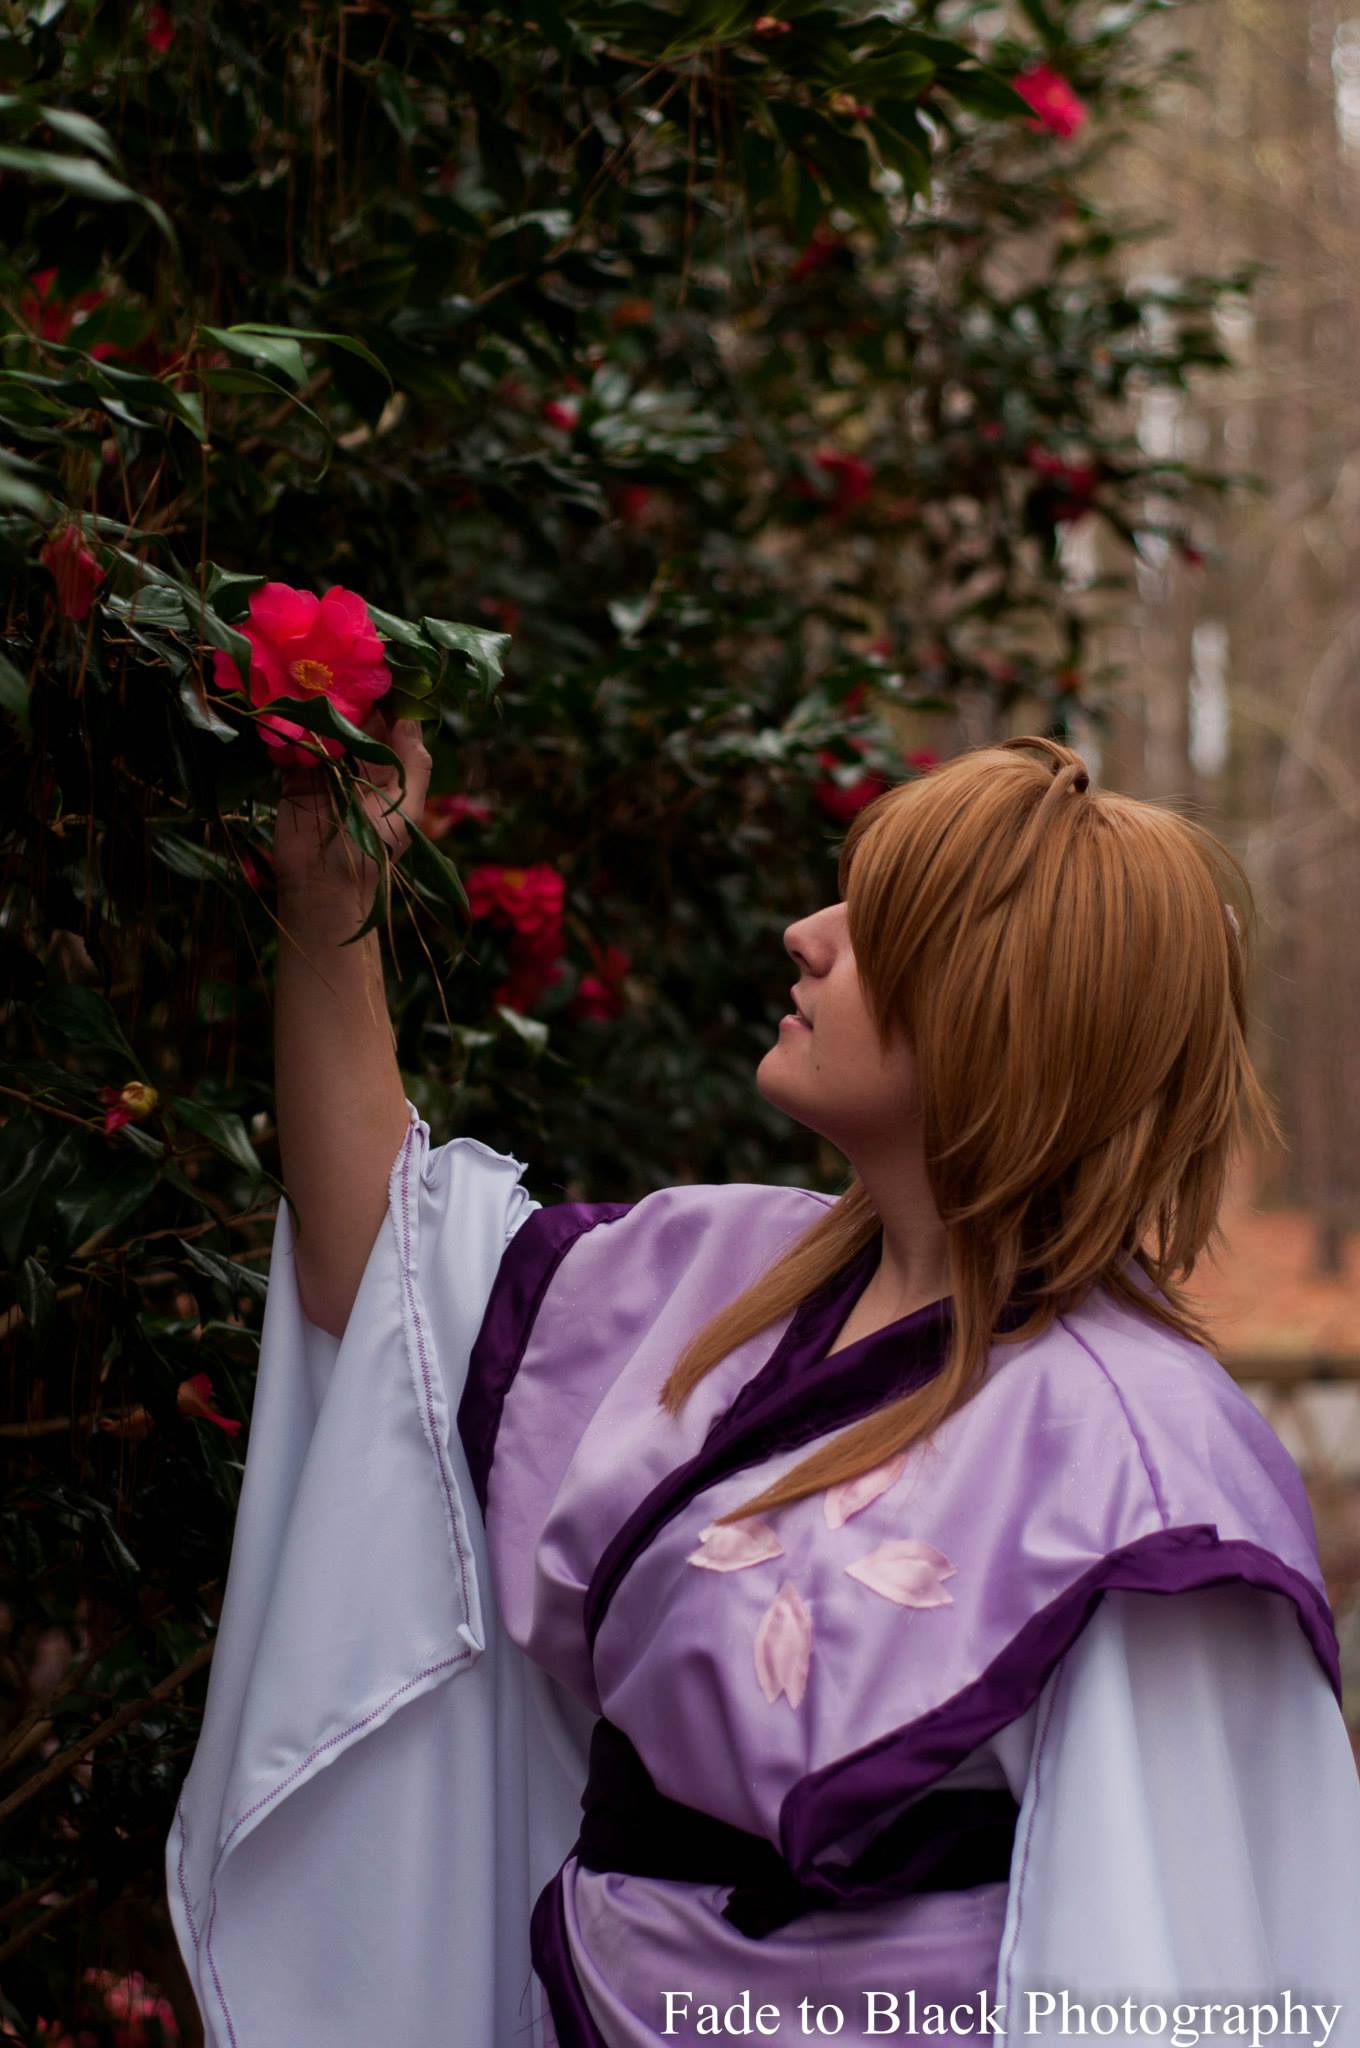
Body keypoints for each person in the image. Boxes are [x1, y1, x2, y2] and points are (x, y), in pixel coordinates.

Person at [166, 718, 1360, 2048]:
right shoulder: (706, 1272)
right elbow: (383, 1280)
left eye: (880, 927)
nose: (806, 934)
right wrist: (330, 901)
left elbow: (1176, 1966)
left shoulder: (1145, 1467)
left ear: (1004, 1016)